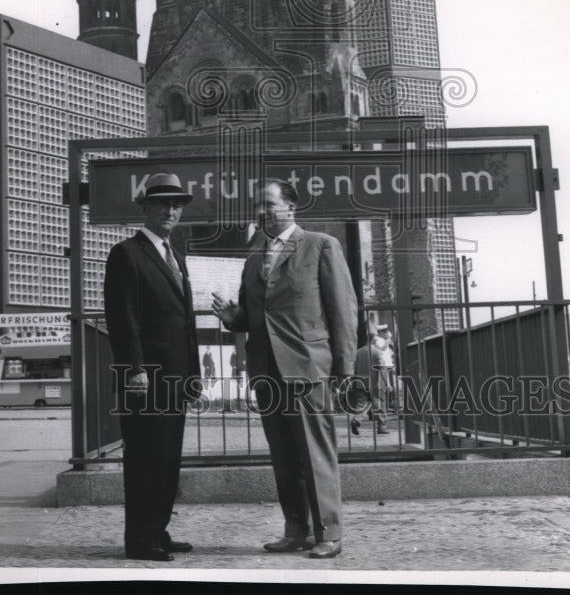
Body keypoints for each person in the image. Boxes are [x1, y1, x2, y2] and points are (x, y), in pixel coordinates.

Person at [212, 179, 358, 560]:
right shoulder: (253, 255)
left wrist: (344, 370)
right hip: (267, 370)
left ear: (291, 206)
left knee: (315, 453)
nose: (262, 211)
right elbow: (253, 316)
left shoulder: (321, 245)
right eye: (257, 204)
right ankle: (297, 530)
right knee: (283, 455)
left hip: (309, 369)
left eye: (269, 203)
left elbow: (343, 311)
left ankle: (330, 532)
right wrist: (234, 319)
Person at [104, 172, 200, 562]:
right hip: (146, 378)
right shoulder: (127, 253)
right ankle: (141, 540)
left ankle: (157, 529)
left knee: (167, 459)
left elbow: (185, 322)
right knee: (145, 459)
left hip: (175, 377)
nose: (171, 210)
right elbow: (124, 319)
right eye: (162, 203)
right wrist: (135, 370)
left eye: (177, 204)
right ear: (144, 208)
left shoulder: (174, 254)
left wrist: (193, 374)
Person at [350, 333, 389, 436]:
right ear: (373, 339)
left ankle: (357, 420)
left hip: (360, 383)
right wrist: (386, 383)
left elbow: (353, 368)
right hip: (375, 383)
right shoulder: (377, 352)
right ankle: (382, 426)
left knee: (361, 404)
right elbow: (380, 368)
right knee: (378, 404)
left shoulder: (358, 352)